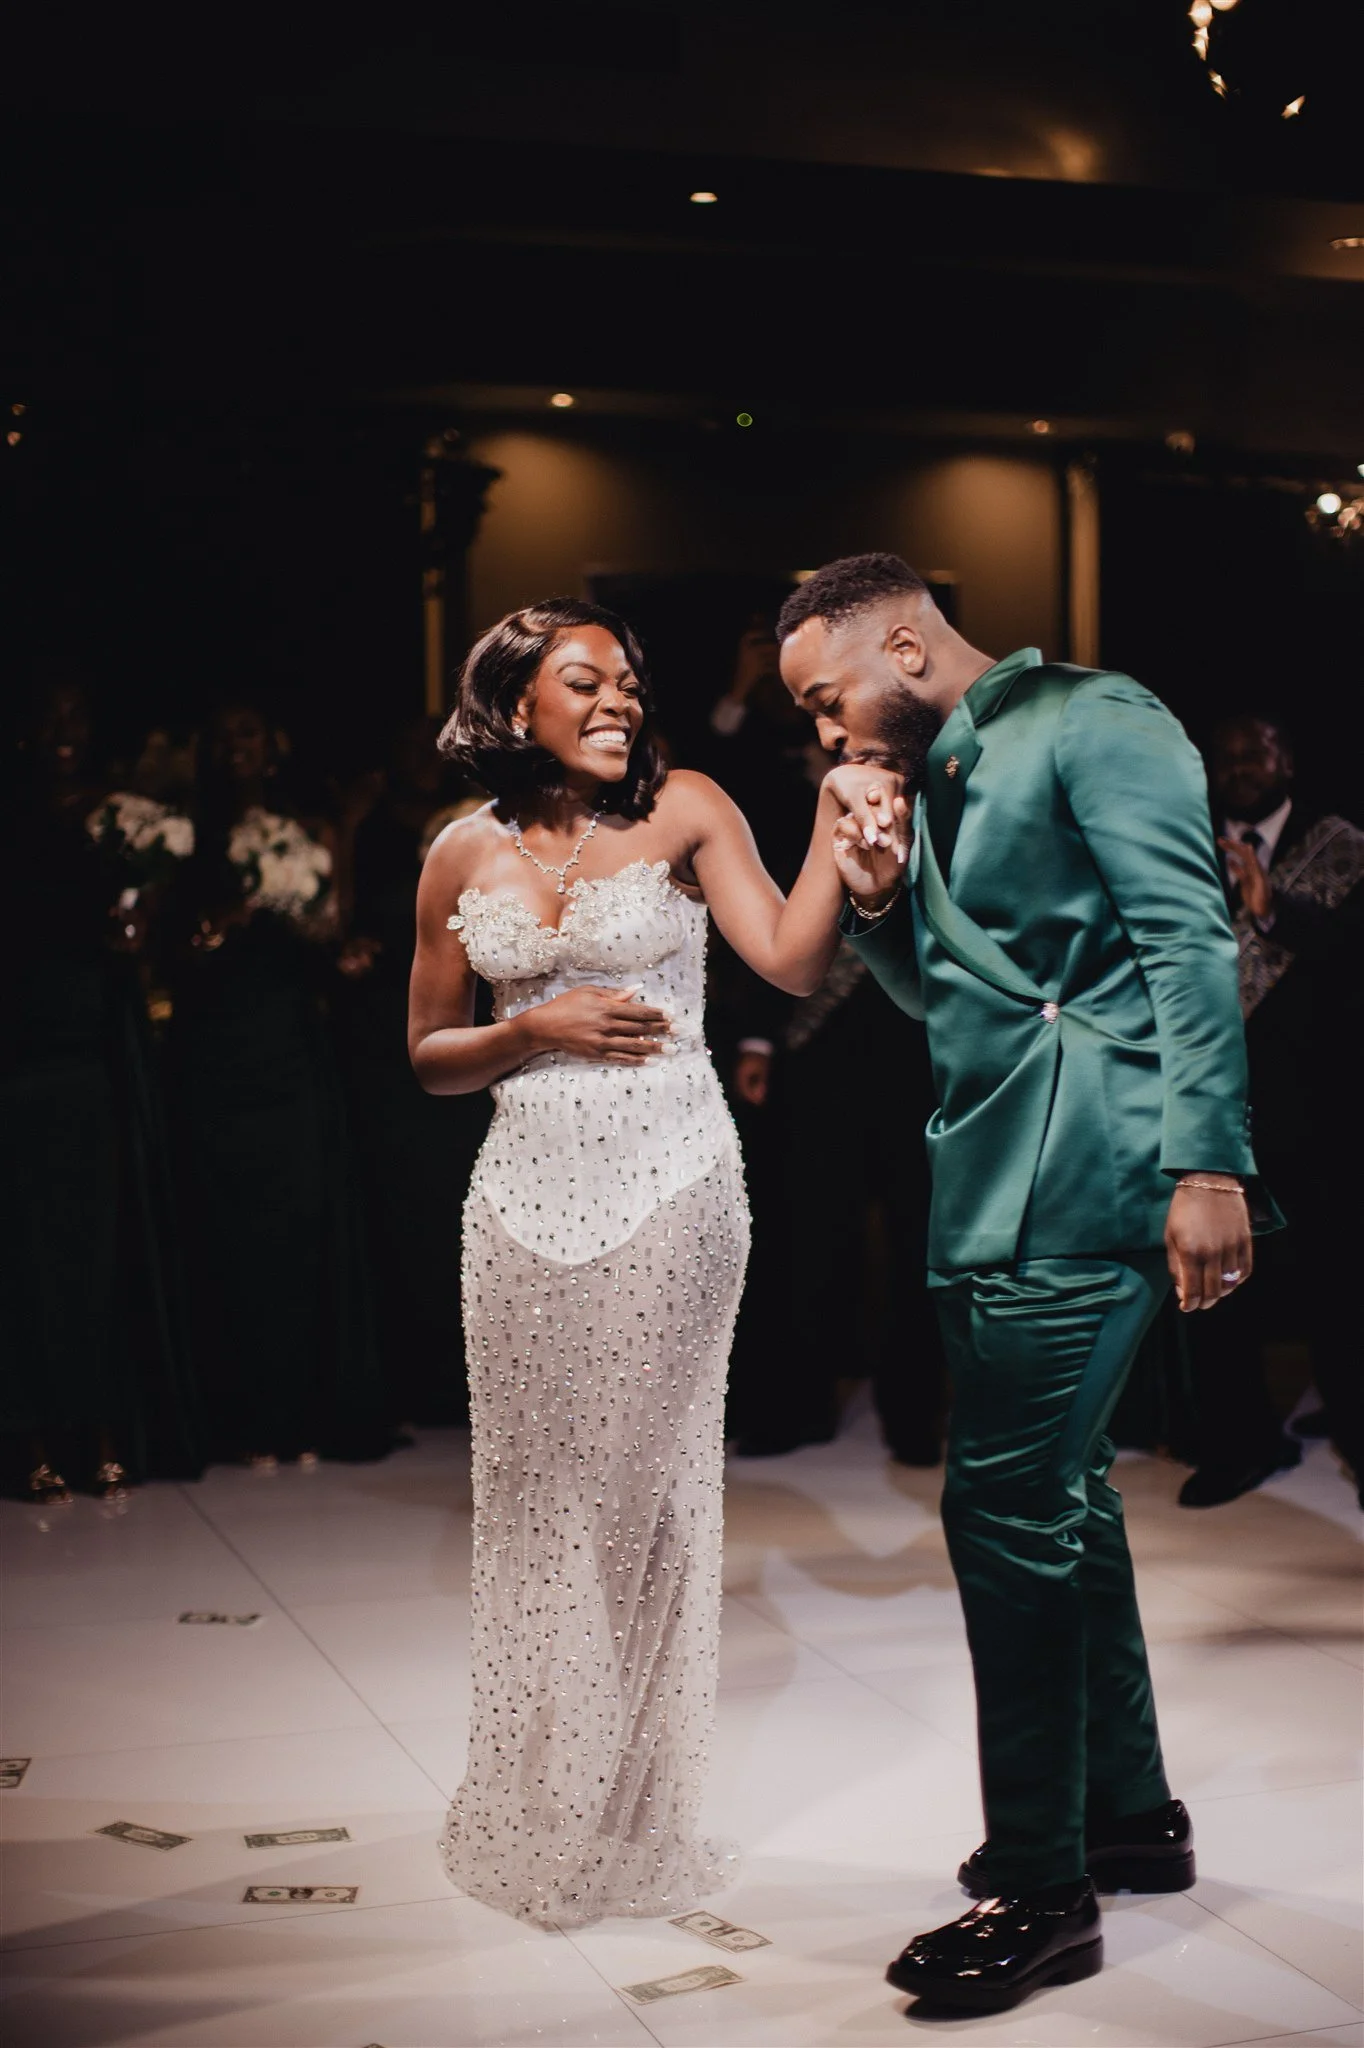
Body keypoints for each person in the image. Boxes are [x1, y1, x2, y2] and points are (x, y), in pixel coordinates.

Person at [776, 554, 1268, 2013]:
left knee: (1002, 1506)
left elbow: (1192, 945)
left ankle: (1041, 1883)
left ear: (909, 646)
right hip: (995, 1177)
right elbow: (966, 995)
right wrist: (875, 902)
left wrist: (1211, 1167)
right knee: (1063, 1495)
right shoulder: (935, 781)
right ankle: (1128, 1813)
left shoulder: (1095, 718)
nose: (826, 735)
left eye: (827, 698)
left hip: (1104, 1172)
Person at [408, 596, 888, 1927]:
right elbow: (429, 1055)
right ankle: (545, 1785)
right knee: (534, 1496)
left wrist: (839, 843)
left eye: (629, 679)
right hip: (515, 1201)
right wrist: (535, 1028)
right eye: (587, 681)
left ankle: (633, 1810)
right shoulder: (455, 858)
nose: (621, 700)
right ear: (516, 708)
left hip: (674, 1183)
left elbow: (789, 961)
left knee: (637, 1491)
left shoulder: (686, 811)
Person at [162, 701, 388, 1467]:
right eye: (224, 736)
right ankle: (238, 1416)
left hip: (290, 1046)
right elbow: (171, 948)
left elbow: (331, 925)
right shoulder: (184, 835)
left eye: (249, 733)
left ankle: (303, 1412)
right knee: (226, 1231)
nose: (237, 748)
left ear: (272, 747)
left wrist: (346, 841)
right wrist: (221, 920)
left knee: (299, 1229)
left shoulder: (303, 828)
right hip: (215, 1048)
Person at [0, 678, 202, 1501]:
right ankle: (33, 1435)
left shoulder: (120, 815)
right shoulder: (16, 819)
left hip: (94, 1048)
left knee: (100, 1244)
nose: (64, 730)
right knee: (26, 1251)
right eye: (49, 716)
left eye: (77, 716)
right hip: (19, 1048)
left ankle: (105, 1425)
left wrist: (136, 920)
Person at [1177, 713, 1363, 1506]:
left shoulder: (1339, 845)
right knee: (1217, 1283)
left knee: (1341, 1283)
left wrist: (1274, 908)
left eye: (1258, 752)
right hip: (1213, 1102)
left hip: (1322, 1105)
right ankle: (1239, 1443)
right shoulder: (1183, 842)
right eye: (1227, 756)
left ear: (1289, 759)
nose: (1242, 766)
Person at [333, 716, 490, 1425]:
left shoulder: (475, 826)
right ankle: (412, 1375)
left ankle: (471, 1375)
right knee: (402, 1202)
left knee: (462, 1200)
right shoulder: (369, 824)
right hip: (386, 1032)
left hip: (474, 1027)